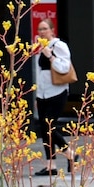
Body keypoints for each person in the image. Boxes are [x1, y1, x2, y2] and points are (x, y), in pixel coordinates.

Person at [34, 18, 76, 176]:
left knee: (49, 125)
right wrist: (37, 94)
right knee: (44, 130)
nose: (42, 32)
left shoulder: (59, 46)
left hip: (57, 92)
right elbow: (40, 73)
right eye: (39, 29)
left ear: (52, 30)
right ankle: (51, 165)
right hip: (43, 93)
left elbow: (64, 67)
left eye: (45, 29)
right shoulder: (40, 48)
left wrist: (50, 56)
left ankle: (70, 153)